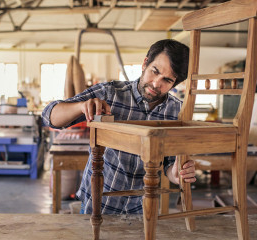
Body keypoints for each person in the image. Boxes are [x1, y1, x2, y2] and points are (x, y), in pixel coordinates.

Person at [42, 39, 196, 214]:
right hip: (97, 204)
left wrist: (176, 174)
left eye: (166, 80)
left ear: (175, 83)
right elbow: (48, 116)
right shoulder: (110, 93)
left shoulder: (176, 111)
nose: (155, 84)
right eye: (155, 71)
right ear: (145, 63)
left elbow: (168, 163)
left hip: (141, 208)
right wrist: (80, 106)